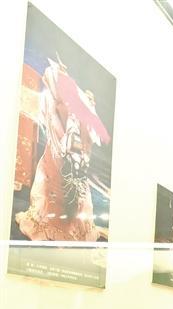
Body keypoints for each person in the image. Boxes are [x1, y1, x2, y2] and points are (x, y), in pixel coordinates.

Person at [15, 60, 109, 242]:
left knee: (67, 188)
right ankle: (58, 224)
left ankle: (67, 225)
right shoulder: (62, 98)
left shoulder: (74, 104)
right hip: (61, 150)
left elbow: (86, 137)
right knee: (56, 183)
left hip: (68, 152)